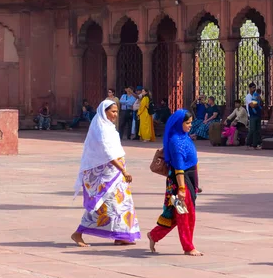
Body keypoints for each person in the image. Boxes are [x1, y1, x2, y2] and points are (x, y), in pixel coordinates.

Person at [71, 99, 141, 247]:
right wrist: (123, 170)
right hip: (106, 174)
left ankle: (120, 235)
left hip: (115, 174)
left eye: (117, 112)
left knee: (121, 205)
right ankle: (78, 232)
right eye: (113, 111)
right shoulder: (101, 128)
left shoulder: (109, 127)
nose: (115, 114)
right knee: (102, 204)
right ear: (104, 112)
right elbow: (107, 153)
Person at [147, 109, 203, 257]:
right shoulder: (176, 141)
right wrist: (182, 189)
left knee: (178, 214)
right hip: (180, 180)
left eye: (190, 122)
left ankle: (154, 235)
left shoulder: (185, 137)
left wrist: (195, 183)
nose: (190, 125)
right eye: (187, 123)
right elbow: (178, 167)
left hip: (190, 179)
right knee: (185, 215)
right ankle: (188, 246)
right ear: (179, 123)